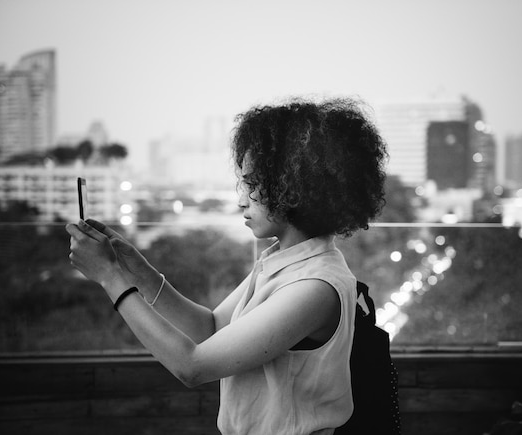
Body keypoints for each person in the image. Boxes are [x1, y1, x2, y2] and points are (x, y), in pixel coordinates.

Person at [66, 97, 388, 434]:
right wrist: (139, 273)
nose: (240, 200)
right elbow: (211, 328)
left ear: (294, 189)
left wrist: (110, 278)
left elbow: (191, 366)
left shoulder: (316, 287)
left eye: (252, 185)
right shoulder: (283, 262)